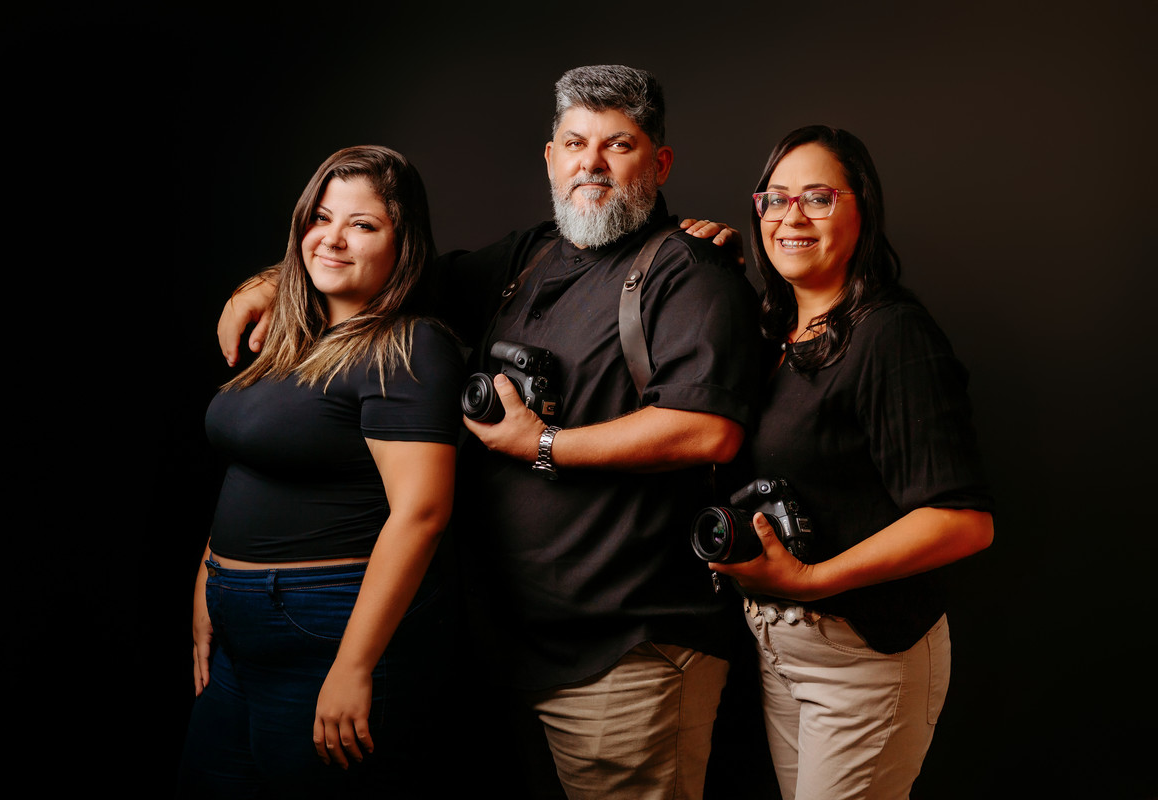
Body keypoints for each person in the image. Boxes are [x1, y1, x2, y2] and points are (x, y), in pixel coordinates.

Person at [216, 65, 761, 800]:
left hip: (625, 648)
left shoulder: (689, 272)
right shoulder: (528, 256)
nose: (592, 164)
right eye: (576, 143)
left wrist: (543, 445)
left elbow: (706, 431)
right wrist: (271, 281)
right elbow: (390, 268)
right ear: (550, 157)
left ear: (659, 163)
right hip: (508, 646)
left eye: (618, 145)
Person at [708, 125, 995, 800]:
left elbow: (962, 522)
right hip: (781, 654)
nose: (791, 217)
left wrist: (812, 580)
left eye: (818, 198)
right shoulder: (773, 333)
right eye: (775, 199)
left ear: (863, 209)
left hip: (866, 661)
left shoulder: (892, 335)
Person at [178, 145, 466, 799]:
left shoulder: (408, 347)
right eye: (320, 218)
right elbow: (256, 465)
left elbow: (422, 513)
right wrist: (209, 573)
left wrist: (354, 665)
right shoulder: (289, 338)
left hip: (326, 626)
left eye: (362, 225)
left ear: (402, 245)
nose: (332, 238)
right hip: (238, 630)